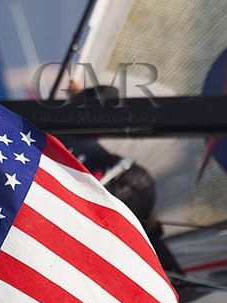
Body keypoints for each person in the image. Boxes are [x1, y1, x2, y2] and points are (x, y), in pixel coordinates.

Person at [61, 87, 180, 275]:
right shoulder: (68, 127)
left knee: (128, 246)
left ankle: (173, 280)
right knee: (148, 235)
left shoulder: (57, 133)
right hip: (136, 178)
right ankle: (177, 279)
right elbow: (107, 97)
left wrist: (79, 97)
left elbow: (106, 96)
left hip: (119, 188)